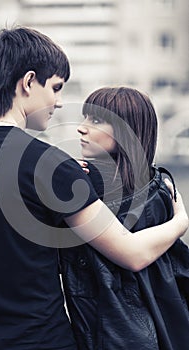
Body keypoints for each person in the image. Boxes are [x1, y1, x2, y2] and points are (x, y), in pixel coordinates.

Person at [0, 27, 187, 350]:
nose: (59, 102)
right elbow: (132, 254)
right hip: (39, 341)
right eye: (56, 88)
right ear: (28, 82)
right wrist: (180, 222)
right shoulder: (49, 165)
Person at [60, 87, 189, 350]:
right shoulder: (158, 186)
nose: (81, 128)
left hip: (124, 337)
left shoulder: (145, 195)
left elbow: (133, 262)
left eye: (96, 120)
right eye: (85, 118)